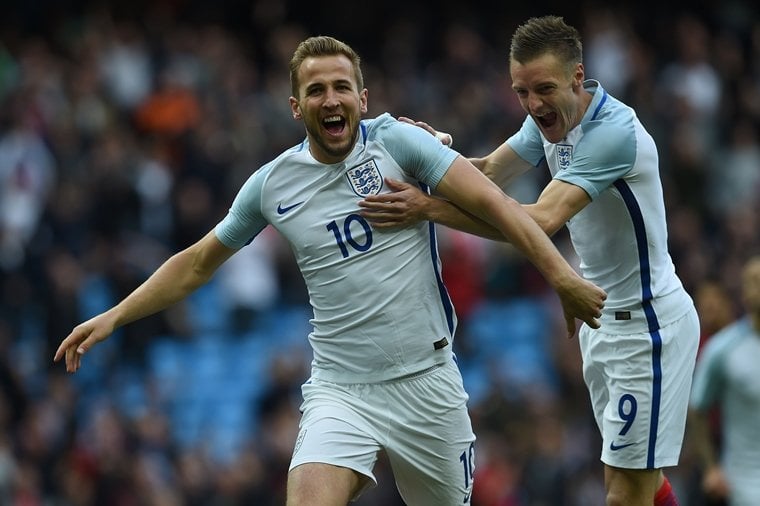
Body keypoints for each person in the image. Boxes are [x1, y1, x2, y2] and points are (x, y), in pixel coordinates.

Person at [54, 35, 606, 506]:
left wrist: (561, 277)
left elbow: (499, 207)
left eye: (342, 87)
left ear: (362, 99)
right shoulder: (273, 185)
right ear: (297, 107)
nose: (331, 98)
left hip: (427, 381)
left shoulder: (399, 143)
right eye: (316, 89)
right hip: (342, 389)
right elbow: (198, 263)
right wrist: (115, 316)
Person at [358, 16, 699, 506]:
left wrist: (430, 208)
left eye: (543, 89)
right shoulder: (548, 120)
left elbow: (539, 221)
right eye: (521, 91)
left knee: (625, 494)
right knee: (635, 485)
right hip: (600, 322)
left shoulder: (612, 134)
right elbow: (488, 174)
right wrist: (423, 155)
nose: (533, 103)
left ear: (578, 78)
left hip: (648, 327)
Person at [689, 256, 760, 506]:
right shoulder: (721, 349)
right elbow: (696, 408)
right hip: (743, 481)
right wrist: (710, 468)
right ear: (744, 293)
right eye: (754, 281)